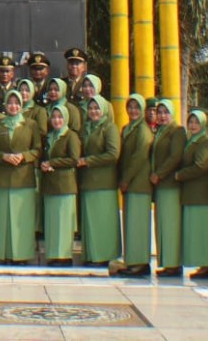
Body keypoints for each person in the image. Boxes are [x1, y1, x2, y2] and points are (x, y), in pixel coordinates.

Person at [0, 90, 41, 265]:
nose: (13, 106)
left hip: (23, 178)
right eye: (10, 102)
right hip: (2, 179)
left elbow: (38, 149)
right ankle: (4, 254)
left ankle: (21, 255)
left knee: (21, 220)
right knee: (3, 220)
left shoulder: (31, 125)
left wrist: (24, 156)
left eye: (16, 103)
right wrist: (3, 156)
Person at [77, 95, 120, 268]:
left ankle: (104, 256)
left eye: (97, 108)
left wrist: (89, 161)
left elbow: (113, 154)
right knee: (91, 222)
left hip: (103, 183)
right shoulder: (86, 127)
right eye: (91, 108)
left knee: (103, 222)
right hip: (88, 181)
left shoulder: (109, 128)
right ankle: (91, 255)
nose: (93, 111)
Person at [118, 94, 153, 277]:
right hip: (130, 185)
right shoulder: (127, 128)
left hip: (138, 184)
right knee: (131, 225)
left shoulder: (143, 130)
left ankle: (140, 262)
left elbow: (139, 156)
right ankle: (132, 261)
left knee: (138, 225)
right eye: (130, 107)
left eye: (137, 108)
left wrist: (126, 179)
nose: (133, 111)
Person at [41, 103, 81, 266]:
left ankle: (64, 256)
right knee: (52, 222)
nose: (57, 120)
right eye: (54, 117)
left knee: (64, 223)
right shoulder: (49, 136)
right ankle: (53, 255)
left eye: (60, 117)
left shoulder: (70, 136)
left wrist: (52, 162)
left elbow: (73, 159)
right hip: (50, 185)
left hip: (64, 186)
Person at [176, 109, 208, 280]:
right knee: (196, 231)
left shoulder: (204, 142)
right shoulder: (192, 141)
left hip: (200, 193)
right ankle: (202, 264)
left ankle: (206, 265)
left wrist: (180, 175)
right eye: (191, 122)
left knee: (202, 231)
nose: (193, 125)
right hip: (191, 193)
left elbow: (201, 166)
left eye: (197, 122)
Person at [150, 99, 185, 277]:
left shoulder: (177, 131)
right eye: (160, 112)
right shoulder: (159, 131)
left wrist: (159, 174)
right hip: (161, 187)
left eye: (166, 112)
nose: (162, 116)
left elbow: (175, 157)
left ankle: (173, 263)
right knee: (162, 224)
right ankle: (166, 262)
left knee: (170, 225)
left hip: (170, 185)